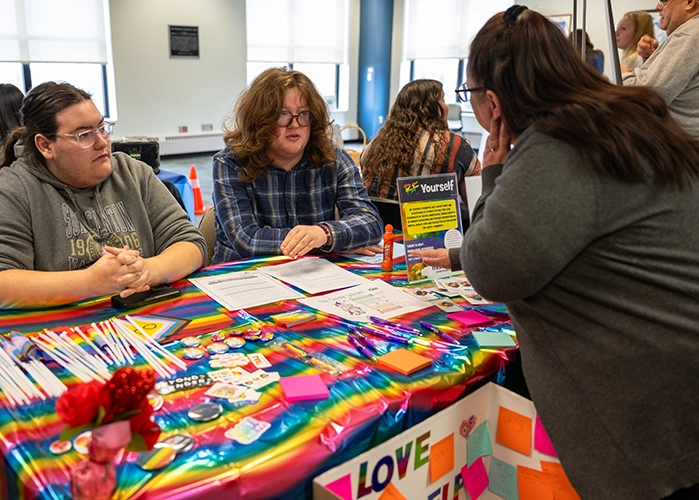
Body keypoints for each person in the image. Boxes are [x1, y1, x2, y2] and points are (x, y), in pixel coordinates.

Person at [428, 6, 699, 499]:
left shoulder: (559, 146)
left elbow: (490, 267)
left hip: (650, 431)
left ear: (494, 103)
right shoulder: (625, 123)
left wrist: (493, 171)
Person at [0, 82, 205, 310]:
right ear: (45, 145)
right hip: (57, 337)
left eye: (102, 128)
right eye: (83, 135)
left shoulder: (133, 173)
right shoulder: (12, 191)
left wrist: (147, 270)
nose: (102, 143)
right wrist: (89, 283)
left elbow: (191, 245)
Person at [212, 68, 382, 263]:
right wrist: (325, 241)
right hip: (241, 276)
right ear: (260, 120)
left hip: (310, 275)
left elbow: (371, 222)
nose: (295, 124)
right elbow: (247, 240)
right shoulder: (230, 163)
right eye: (282, 114)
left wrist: (323, 233)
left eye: (303, 114)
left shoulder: (334, 159)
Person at [360, 79, 481, 219]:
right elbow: (475, 202)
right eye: (443, 100)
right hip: (430, 233)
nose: (446, 107)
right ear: (431, 107)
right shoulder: (454, 146)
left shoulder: (375, 144)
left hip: (380, 230)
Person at [623, 0, 699, 137]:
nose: (657, 6)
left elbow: (646, 98)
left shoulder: (689, 36)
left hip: (682, 150)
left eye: (664, 1)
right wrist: (650, 60)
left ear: (689, 2)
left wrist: (622, 74)